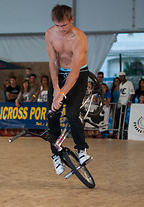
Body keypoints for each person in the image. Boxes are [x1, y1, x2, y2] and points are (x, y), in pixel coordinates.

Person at [45, 4, 91, 175]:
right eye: (58, 25)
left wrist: (62, 94)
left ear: (71, 20)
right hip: (59, 73)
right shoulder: (50, 34)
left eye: (64, 25)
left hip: (77, 74)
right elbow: (53, 61)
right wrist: (56, 88)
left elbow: (75, 72)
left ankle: (81, 149)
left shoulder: (79, 37)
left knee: (71, 114)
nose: (61, 29)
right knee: (52, 114)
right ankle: (56, 154)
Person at [114, 72, 135, 139]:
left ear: (124, 76)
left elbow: (132, 93)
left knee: (122, 118)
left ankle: (124, 131)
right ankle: (120, 131)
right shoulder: (120, 84)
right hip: (120, 103)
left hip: (125, 103)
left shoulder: (129, 83)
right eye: (120, 76)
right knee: (118, 117)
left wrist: (129, 101)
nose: (121, 78)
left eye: (122, 76)